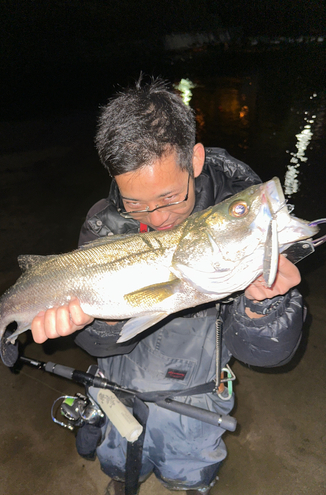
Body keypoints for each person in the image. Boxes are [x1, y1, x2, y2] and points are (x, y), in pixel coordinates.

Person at [31, 78, 303, 494]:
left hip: (195, 398)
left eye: (170, 197)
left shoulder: (241, 231)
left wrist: (260, 309)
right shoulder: (103, 225)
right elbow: (100, 344)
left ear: (194, 160)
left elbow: (266, 356)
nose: (157, 218)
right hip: (118, 385)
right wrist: (90, 325)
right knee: (119, 464)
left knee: (188, 474)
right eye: (136, 203)